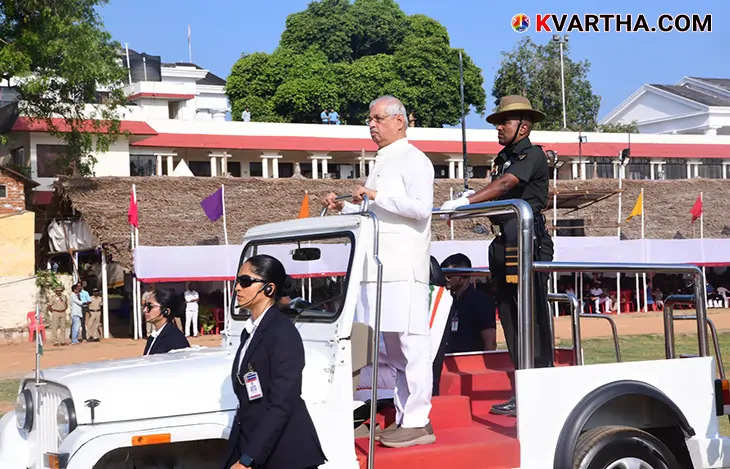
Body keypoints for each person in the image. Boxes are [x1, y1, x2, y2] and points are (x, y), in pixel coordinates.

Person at [321, 95, 435, 448]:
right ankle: (404, 417)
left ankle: (419, 419)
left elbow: (420, 208)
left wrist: (375, 194)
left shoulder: (415, 160)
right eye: (369, 119)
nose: (371, 125)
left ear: (400, 121)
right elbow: (372, 215)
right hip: (379, 267)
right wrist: (344, 206)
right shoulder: (381, 163)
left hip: (404, 267)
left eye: (378, 118)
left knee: (412, 344)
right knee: (391, 348)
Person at [440, 95, 554, 417]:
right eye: (498, 122)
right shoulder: (504, 157)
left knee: (528, 315)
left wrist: (468, 202)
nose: (498, 127)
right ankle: (523, 390)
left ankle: (540, 387)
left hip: (526, 242)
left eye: (504, 122)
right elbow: (497, 189)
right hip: (505, 242)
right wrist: (467, 202)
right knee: (509, 316)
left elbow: (505, 185)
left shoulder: (532, 156)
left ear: (524, 126)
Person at [223, 254, 326, 469]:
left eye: (245, 281)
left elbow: (281, 404)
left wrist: (248, 458)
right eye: (237, 282)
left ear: (269, 289)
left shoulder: (282, 333)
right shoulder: (251, 332)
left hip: (286, 455)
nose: (237, 289)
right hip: (258, 448)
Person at [432, 254, 496, 395]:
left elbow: (490, 342)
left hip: (471, 365)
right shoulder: (448, 301)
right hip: (447, 365)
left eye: (449, 276)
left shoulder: (480, 301)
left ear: (462, 276)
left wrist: (486, 373)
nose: (445, 280)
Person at [142, 288, 190, 355]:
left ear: (166, 311)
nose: (145, 310)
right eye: (145, 306)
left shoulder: (175, 340)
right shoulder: (154, 336)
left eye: (150, 307)